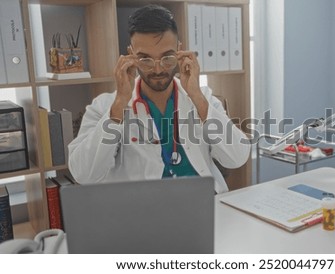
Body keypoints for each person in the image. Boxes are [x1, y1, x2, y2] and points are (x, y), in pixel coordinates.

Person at [68, 4, 250, 193]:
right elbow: (83, 174)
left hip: (205, 205)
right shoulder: (105, 106)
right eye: (145, 59)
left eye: (167, 57)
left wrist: (196, 96)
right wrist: (120, 105)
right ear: (131, 55)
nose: (158, 69)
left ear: (179, 51)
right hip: (145, 213)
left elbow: (237, 157)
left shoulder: (202, 98)